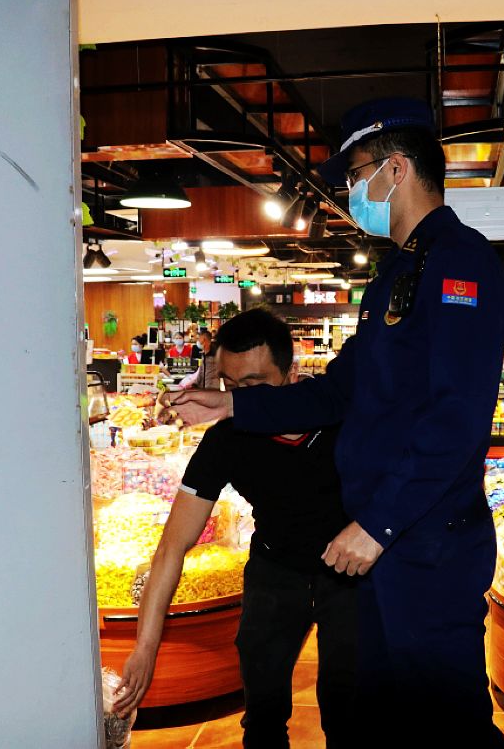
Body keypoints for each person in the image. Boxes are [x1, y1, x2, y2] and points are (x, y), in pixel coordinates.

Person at [164, 97, 504, 748]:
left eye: (355, 174)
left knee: (445, 720)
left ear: (396, 169)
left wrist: (378, 525)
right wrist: (235, 405)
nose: (350, 191)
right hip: (380, 542)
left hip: (424, 542)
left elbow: (456, 418)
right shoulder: (396, 274)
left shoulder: (459, 263)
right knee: (376, 716)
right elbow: (337, 392)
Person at [115, 308, 357, 748]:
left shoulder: (344, 419)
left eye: (255, 386)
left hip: (349, 574)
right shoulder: (226, 439)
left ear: (291, 373)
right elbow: (172, 546)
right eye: (230, 386)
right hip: (274, 569)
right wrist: (145, 648)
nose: (242, 401)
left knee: (349, 713)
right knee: (262, 714)